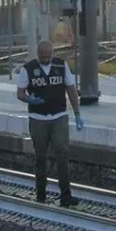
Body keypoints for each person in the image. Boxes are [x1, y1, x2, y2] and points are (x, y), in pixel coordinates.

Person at [15, 40, 83, 207]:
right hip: (38, 119)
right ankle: (41, 194)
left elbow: (71, 90)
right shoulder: (28, 69)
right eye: (42, 57)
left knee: (63, 152)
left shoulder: (61, 66)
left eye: (48, 56)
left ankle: (66, 195)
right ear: (38, 55)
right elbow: (20, 93)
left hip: (59, 116)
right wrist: (29, 99)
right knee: (40, 156)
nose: (45, 59)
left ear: (53, 53)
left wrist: (77, 114)